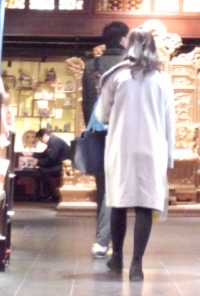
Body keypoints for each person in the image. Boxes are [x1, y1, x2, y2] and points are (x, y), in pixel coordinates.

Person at [96, 28, 174, 282]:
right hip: (152, 149)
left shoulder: (116, 75)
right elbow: (169, 121)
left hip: (122, 147)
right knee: (145, 205)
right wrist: (169, 156)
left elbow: (102, 116)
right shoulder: (162, 80)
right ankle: (137, 264)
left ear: (128, 46)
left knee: (119, 203)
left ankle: (117, 257)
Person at [83, 20, 129, 257]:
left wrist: (91, 130)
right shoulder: (129, 66)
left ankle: (105, 240)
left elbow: (86, 103)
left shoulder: (92, 65)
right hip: (123, 132)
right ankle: (102, 241)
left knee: (103, 186)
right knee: (115, 186)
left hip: (97, 131)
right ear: (123, 39)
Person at [33, 127, 70, 201]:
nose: (41, 142)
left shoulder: (55, 142)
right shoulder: (52, 141)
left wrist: (38, 162)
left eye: (41, 139)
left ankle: (53, 194)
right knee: (40, 171)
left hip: (64, 166)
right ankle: (47, 194)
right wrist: (33, 155)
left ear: (45, 135)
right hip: (59, 164)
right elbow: (45, 154)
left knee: (44, 172)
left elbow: (51, 159)